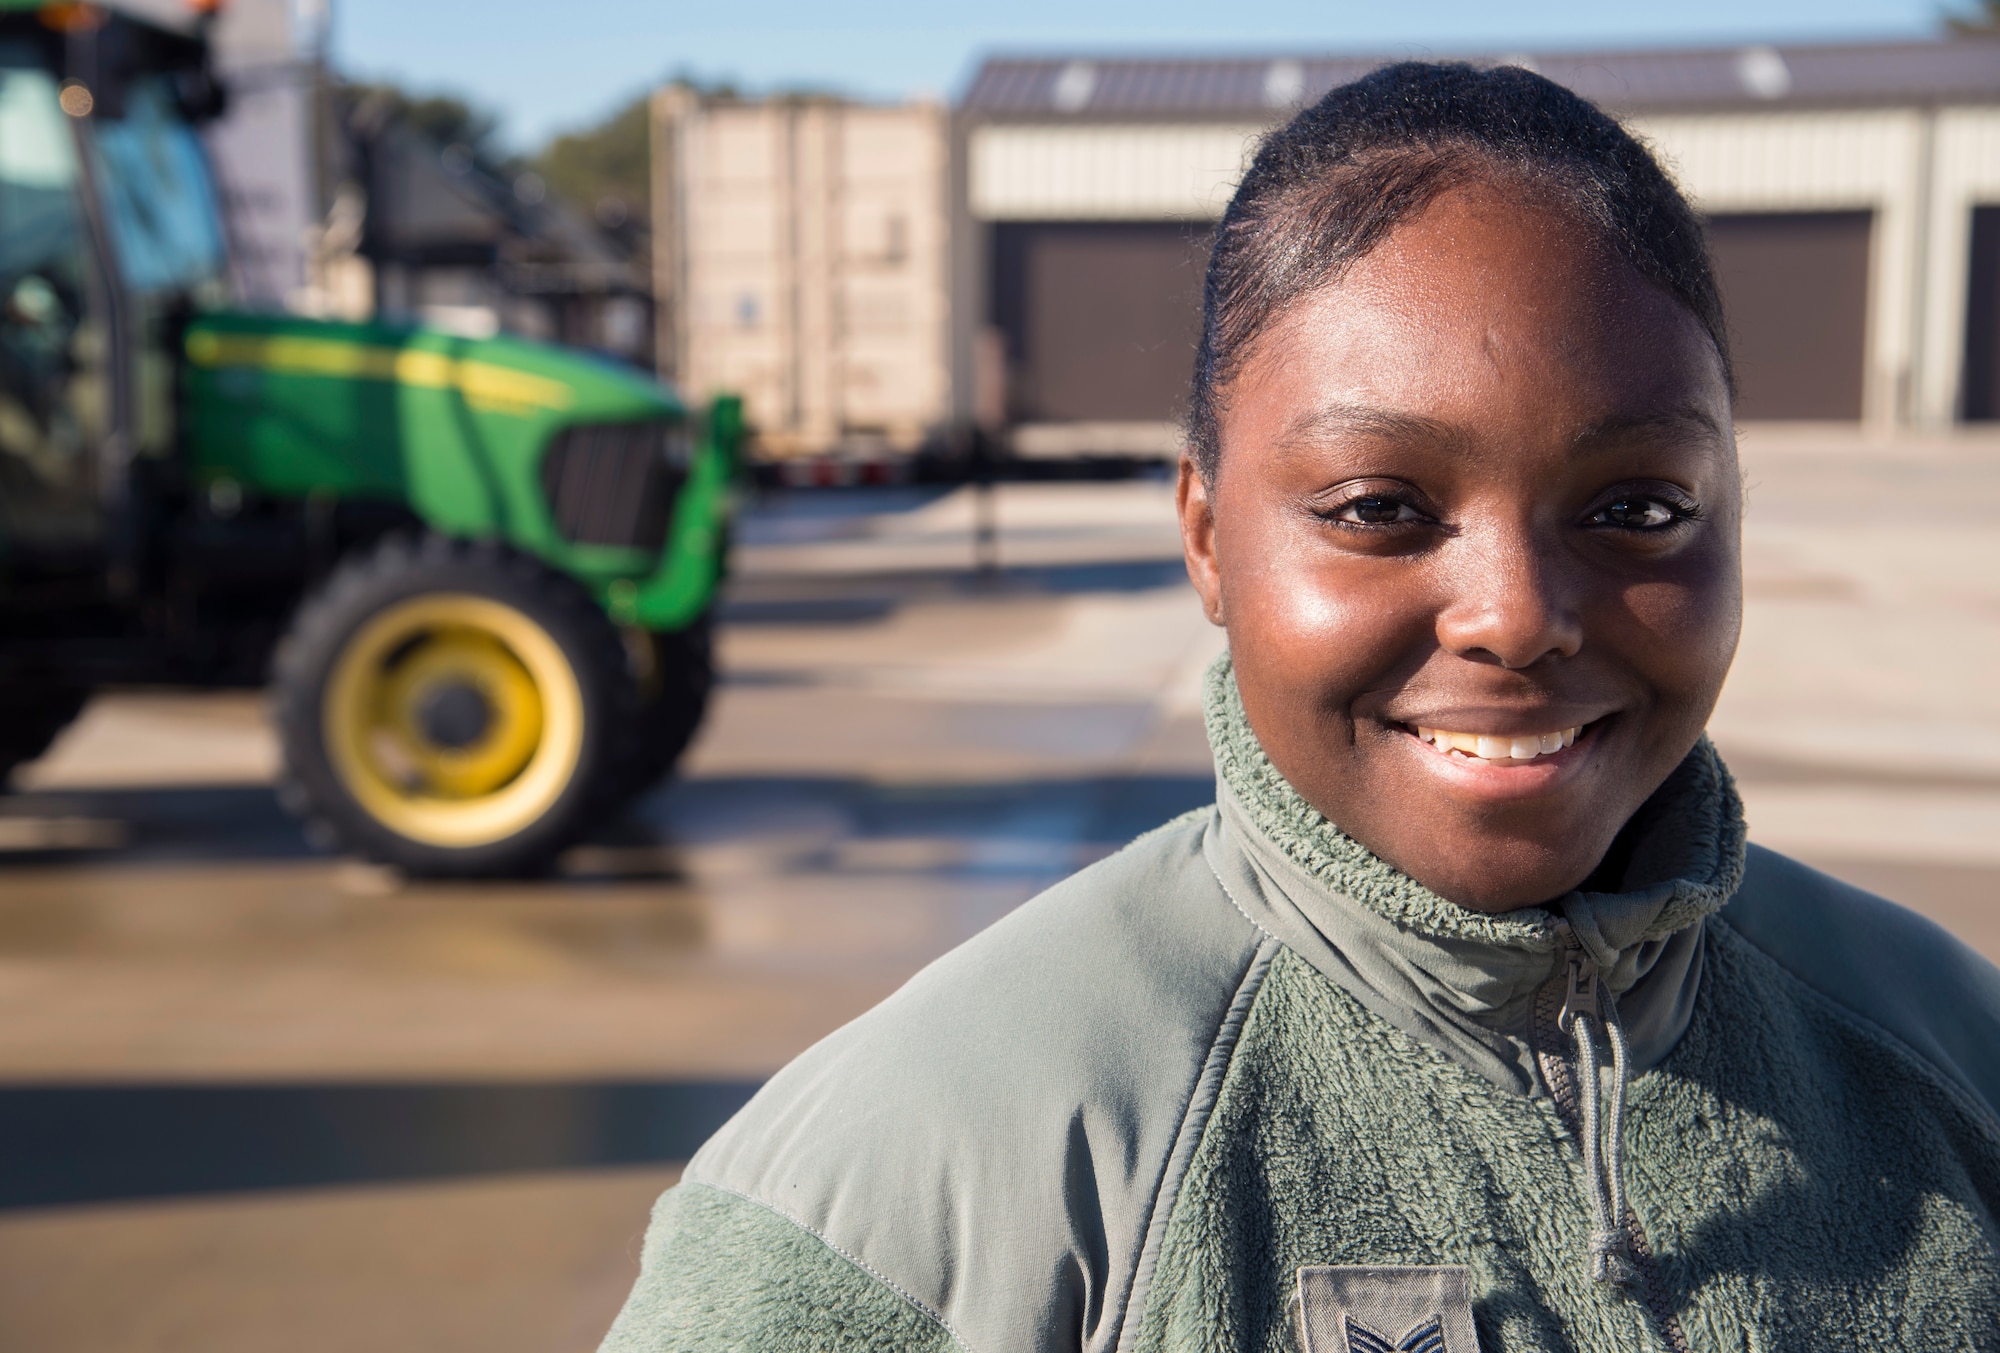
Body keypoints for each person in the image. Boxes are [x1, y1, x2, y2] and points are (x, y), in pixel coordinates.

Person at [600, 63, 2000, 1352]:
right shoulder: (924, 1176)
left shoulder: (1945, 1054)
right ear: (1208, 537)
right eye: (1381, 508)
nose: (1513, 612)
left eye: (1638, 507)